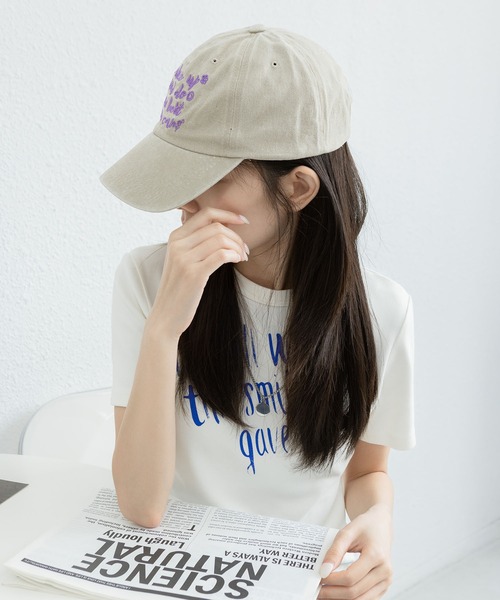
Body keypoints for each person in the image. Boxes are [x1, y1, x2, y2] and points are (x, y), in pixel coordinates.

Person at [100, 24, 415, 599]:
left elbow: (368, 471)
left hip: (298, 581)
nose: (181, 201)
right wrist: (164, 328)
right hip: (171, 574)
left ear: (297, 189)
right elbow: (142, 506)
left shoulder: (381, 311)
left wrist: (378, 522)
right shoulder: (148, 279)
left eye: (205, 177)